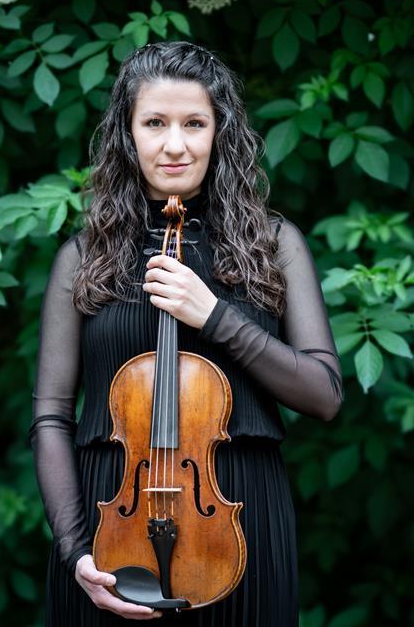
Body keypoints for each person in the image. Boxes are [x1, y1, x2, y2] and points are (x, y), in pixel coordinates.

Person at [30, 41, 343, 626]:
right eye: (154, 123)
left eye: (194, 123)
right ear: (128, 135)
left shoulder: (273, 246)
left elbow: (323, 395)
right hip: (111, 532)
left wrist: (216, 316)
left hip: (241, 519)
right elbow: (51, 415)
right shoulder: (84, 257)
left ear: (219, 132)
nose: (175, 144)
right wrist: (75, 550)